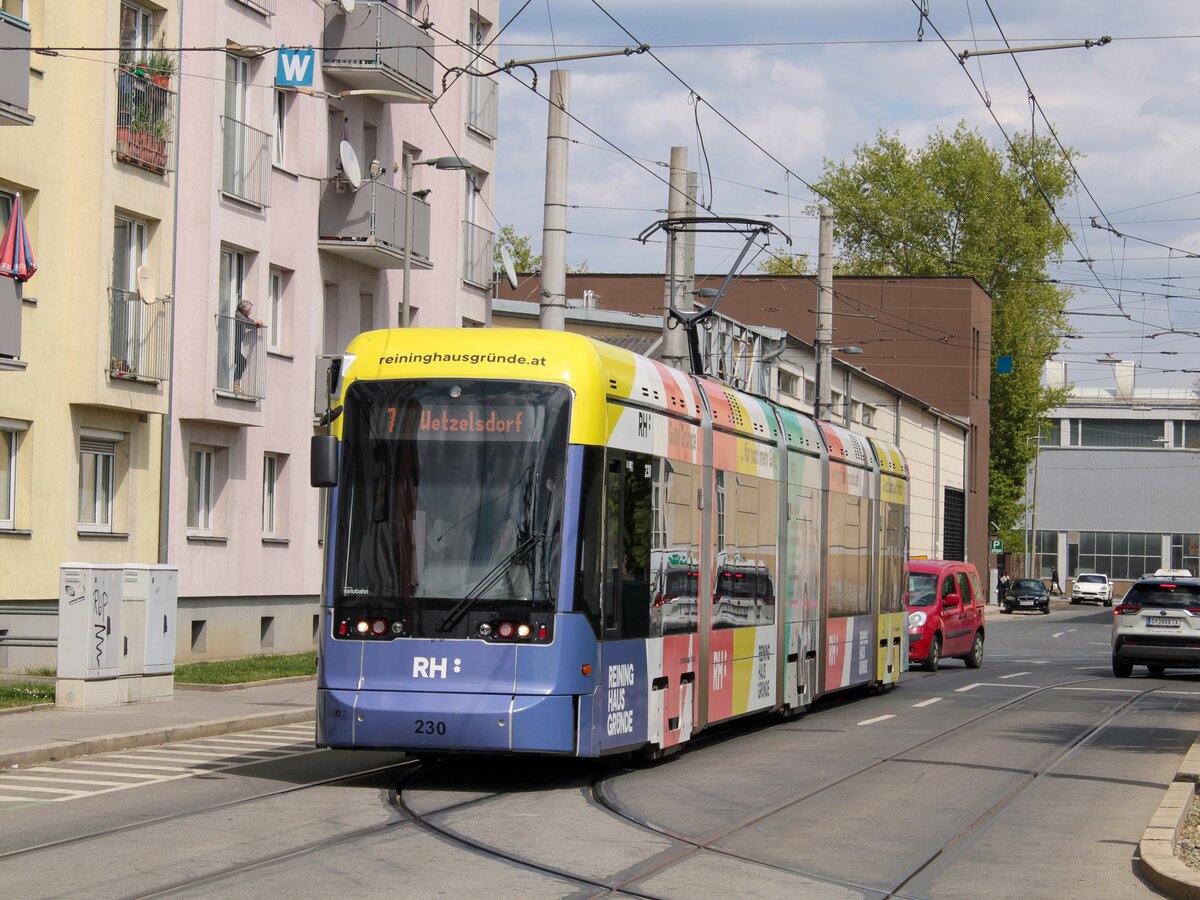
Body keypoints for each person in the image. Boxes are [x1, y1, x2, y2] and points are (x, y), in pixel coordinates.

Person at [234, 299, 262, 392]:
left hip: (235, 345)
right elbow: (246, 321)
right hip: (230, 345)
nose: (250, 312)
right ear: (243, 310)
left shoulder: (242, 316)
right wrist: (255, 323)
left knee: (241, 361)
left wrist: (256, 325)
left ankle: (235, 384)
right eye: (249, 310)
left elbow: (249, 324)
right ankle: (235, 384)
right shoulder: (237, 314)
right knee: (240, 361)